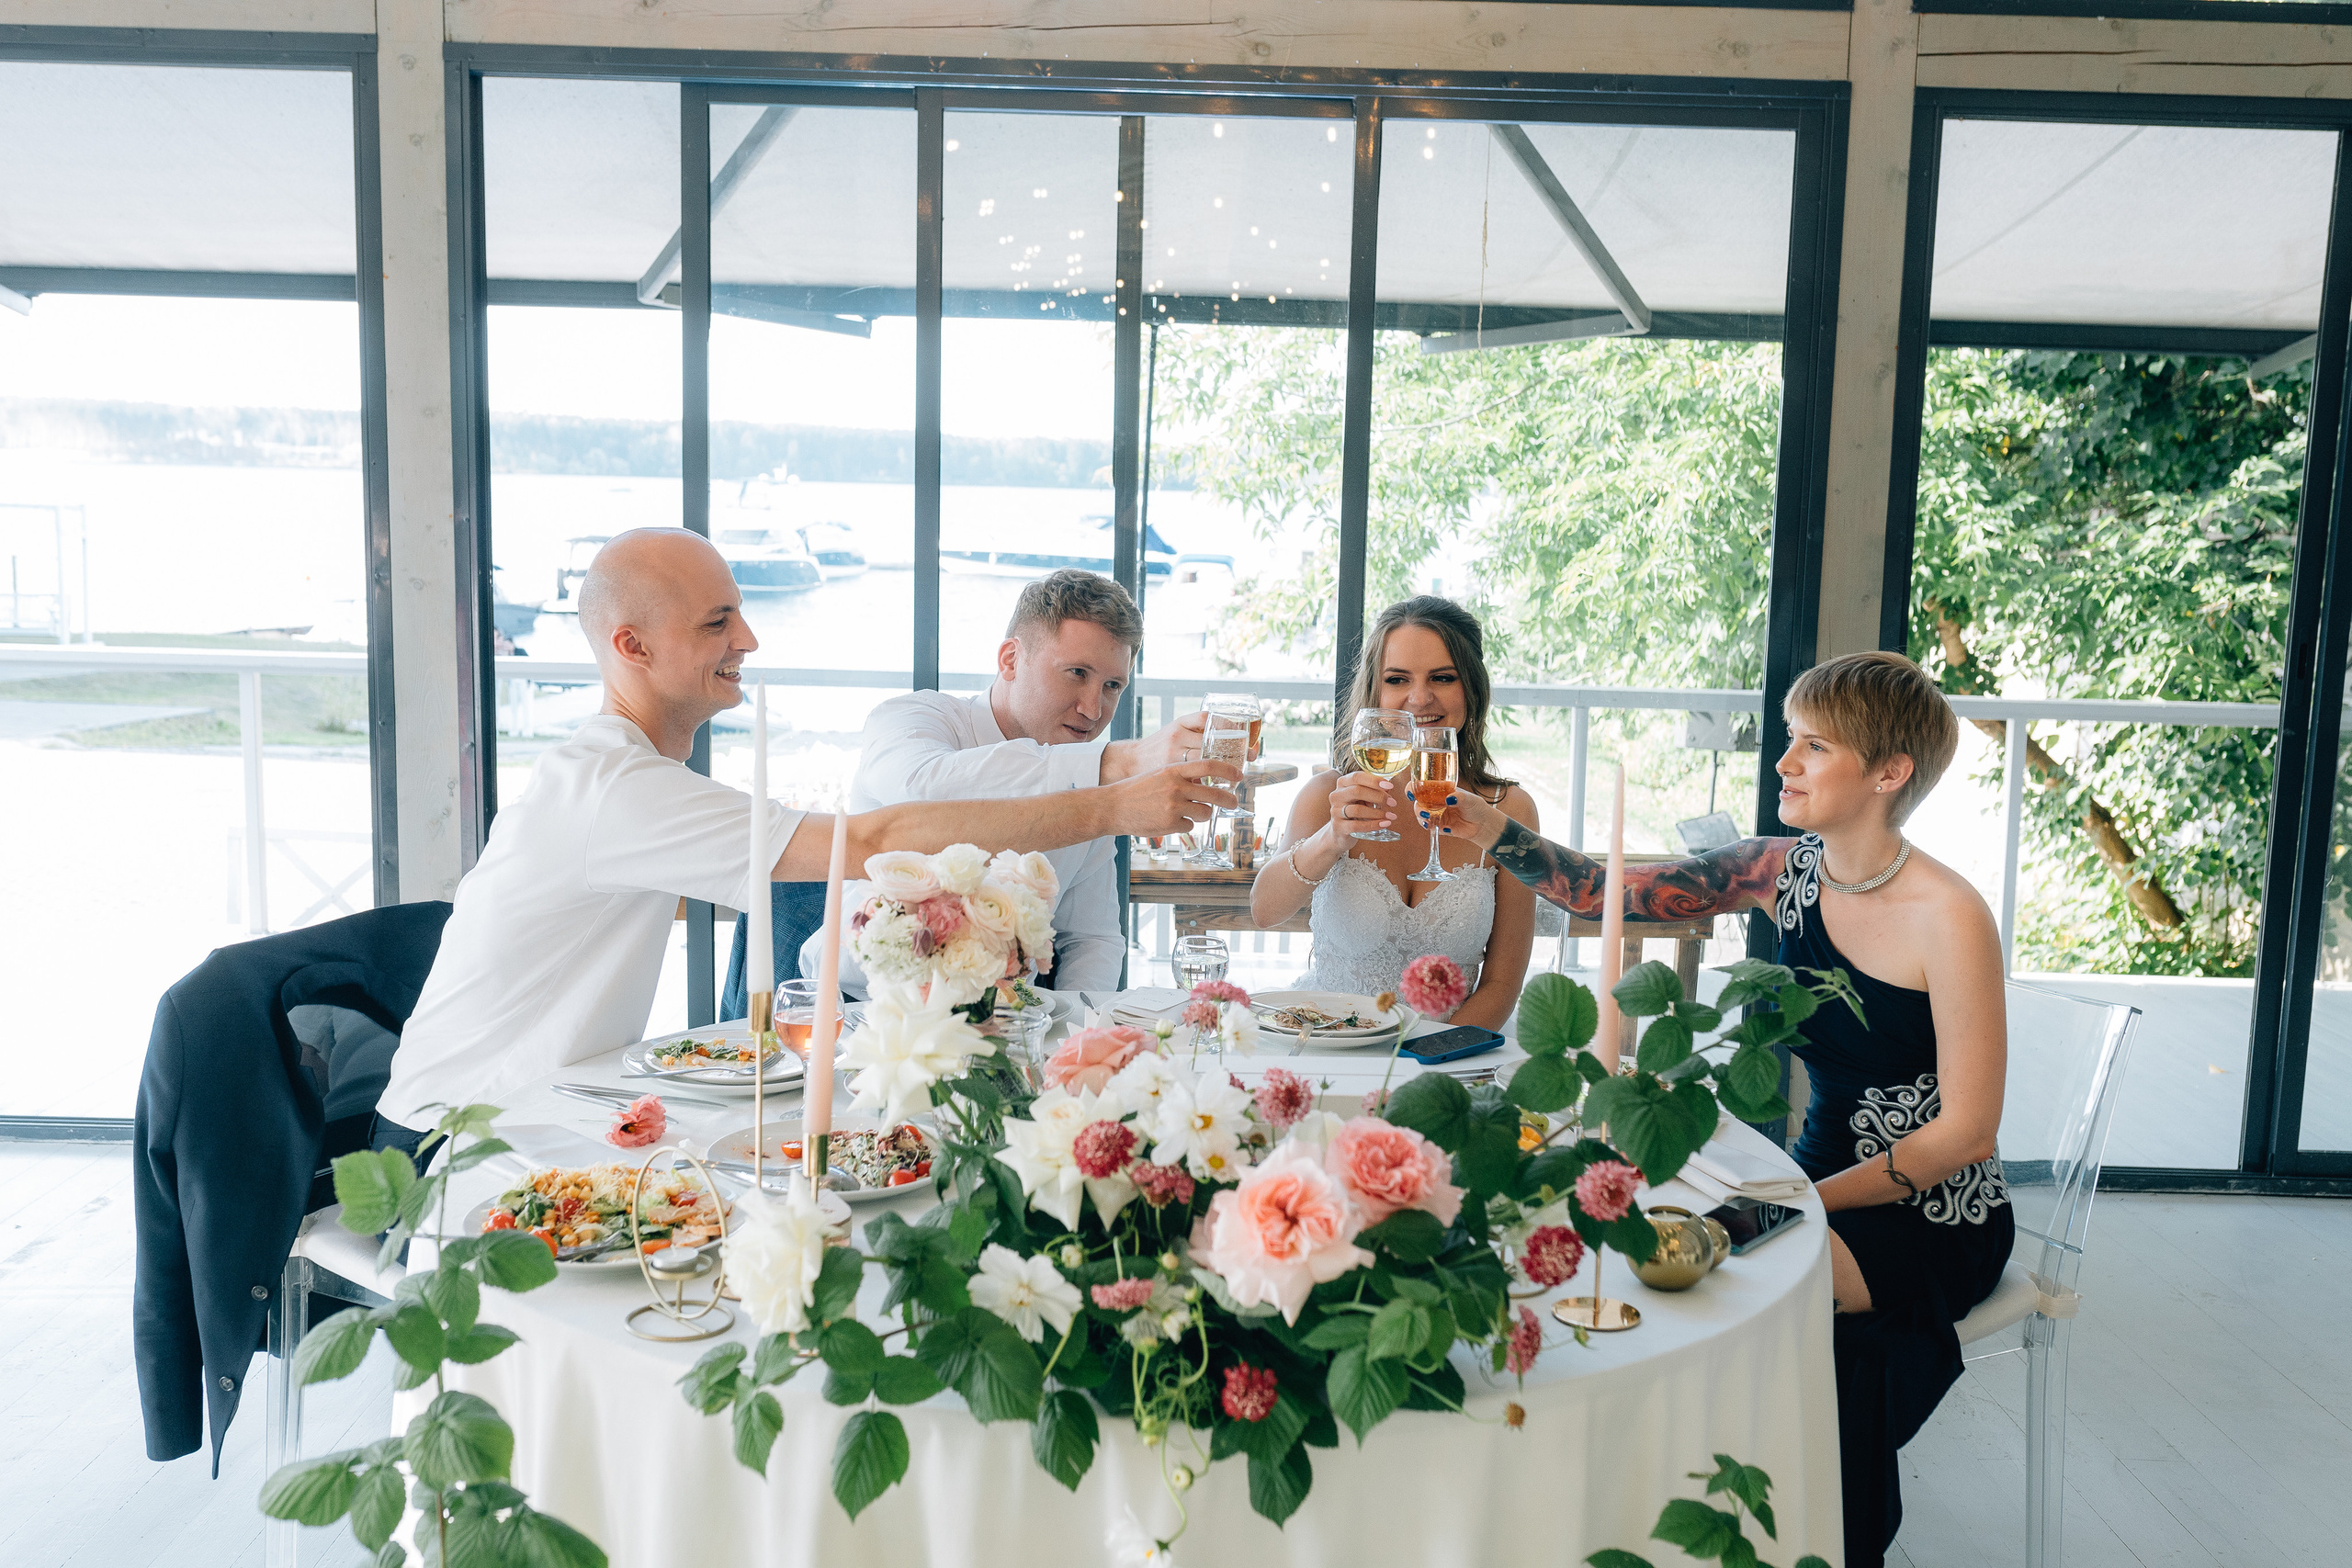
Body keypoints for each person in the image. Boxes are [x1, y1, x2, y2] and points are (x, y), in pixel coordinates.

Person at [1416, 649, 2007, 1568]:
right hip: (1804, 1177)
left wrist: (1799, 1201)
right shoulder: (1782, 869)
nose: (1784, 763)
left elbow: (1967, 1131)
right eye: (1788, 740)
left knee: (1758, 1295)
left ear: (1889, 774)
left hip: (1928, 1212)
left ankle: (1826, 1541)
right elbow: (1606, 892)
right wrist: (1485, 824)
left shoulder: (1950, 913)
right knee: (1666, 1266)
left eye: (1814, 746)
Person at [373, 532, 1237, 1152]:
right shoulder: (614, 790)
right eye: (719, 623)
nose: (748, 639)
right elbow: (875, 838)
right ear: (631, 646)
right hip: (455, 1144)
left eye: (740, 615)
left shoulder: (625, 775)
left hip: (553, 1107)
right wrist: (1116, 773)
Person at [814, 569, 1215, 998]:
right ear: (1010, 660)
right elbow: (923, 790)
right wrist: (1117, 763)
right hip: (853, 1007)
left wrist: (1076, 1030)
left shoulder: (1096, 783)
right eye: (1077, 672)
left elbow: (1092, 939)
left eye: (1112, 685)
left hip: (1003, 1023)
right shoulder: (912, 718)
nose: (1094, 709)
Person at [1248, 597, 1537, 1030]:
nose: (1419, 698)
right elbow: (1264, 911)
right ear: (1374, 693)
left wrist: (1419, 1068)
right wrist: (1332, 838)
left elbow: (1501, 985)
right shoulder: (1327, 795)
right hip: (1330, 1044)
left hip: (1444, 1062)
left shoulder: (1509, 810)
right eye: (1397, 679)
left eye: (1443, 677)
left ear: (1471, 688)